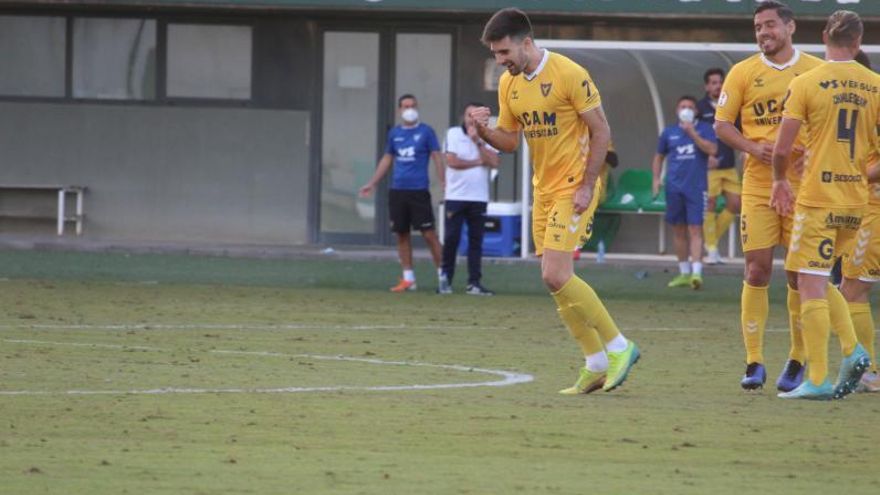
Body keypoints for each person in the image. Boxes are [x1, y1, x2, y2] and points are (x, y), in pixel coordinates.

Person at [471, 8, 639, 395]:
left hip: (573, 186)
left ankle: (619, 346)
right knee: (553, 280)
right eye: (496, 55)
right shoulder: (509, 85)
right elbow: (510, 142)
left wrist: (586, 185)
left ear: (525, 42)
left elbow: (601, 131)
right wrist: (484, 131)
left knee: (556, 274)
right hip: (543, 191)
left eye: (504, 53)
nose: (500, 61)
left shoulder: (569, 73)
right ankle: (595, 364)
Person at [714, 0, 824, 392]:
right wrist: (751, 147)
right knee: (757, 269)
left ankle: (796, 359)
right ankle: (754, 361)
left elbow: (826, 123)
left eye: (770, 25)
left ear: (790, 27)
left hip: (804, 187)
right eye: (758, 27)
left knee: (798, 273)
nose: (763, 33)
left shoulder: (815, 71)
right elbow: (722, 124)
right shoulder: (742, 72)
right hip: (758, 184)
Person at [770, 9, 876, 400]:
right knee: (812, 276)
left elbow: (782, 147)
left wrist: (780, 180)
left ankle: (820, 376)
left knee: (808, 281)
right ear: (859, 41)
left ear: (824, 38)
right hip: (856, 201)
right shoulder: (876, 85)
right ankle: (853, 350)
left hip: (817, 197)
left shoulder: (807, 83)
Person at [359, 94, 445, 293]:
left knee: (429, 234)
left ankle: (443, 276)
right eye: (406, 106)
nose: (410, 109)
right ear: (400, 110)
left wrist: (443, 180)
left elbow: (437, 157)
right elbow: (387, 159)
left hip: (419, 191)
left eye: (413, 105)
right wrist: (372, 183)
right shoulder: (394, 134)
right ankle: (408, 279)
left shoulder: (426, 132)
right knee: (401, 234)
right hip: (398, 191)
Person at [837, 49, 880, 393]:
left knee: (853, 290)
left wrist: (855, 175)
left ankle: (870, 372)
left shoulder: (874, 99)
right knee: (848, 288)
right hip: (857, 207)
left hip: (873, 210)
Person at [652, 96, 718, 290]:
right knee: (678, 230)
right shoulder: (669, 133)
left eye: (690, 107)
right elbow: (658, 157)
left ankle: (697, 274)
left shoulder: (705, 128)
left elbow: (712, 149)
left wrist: (692, 133)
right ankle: (683, 273)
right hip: (674, 188)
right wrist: (656, 179)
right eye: (683, 106)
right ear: (677, 110)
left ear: (696, 111)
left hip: (697, 188)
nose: (686, 109)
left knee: (696, 229)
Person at [439, 103, 500, 296]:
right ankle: (445, 280)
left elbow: (494, 162)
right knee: (451, 239)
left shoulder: (488, 136)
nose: (471, 119)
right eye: (468, 115)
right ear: (463, 117)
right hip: (456, 196)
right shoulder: (453, 134)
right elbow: (452, 162)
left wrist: (478, 142)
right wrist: (477, 162)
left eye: (475, 115)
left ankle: (474, 283)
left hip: (478, 197)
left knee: (476, 242)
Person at [698, 68, 742, 265]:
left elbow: (741, 130)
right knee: (711, 204)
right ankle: (713, 249)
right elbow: (694, 137)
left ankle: (710, 240)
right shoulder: (699, 108)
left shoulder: (731, 105)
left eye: (720, 82)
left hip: (729, 164)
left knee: (736, 203)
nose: (717, 86)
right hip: (710, 168)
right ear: (707, 86)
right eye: (713, 83)